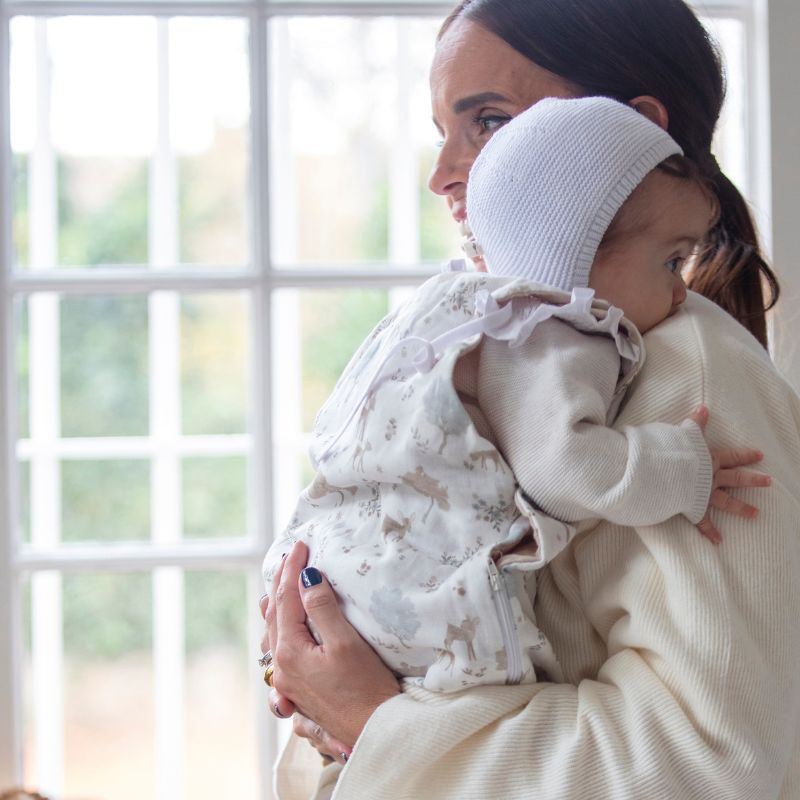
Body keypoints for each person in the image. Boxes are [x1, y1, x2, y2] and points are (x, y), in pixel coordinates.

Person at [260, 1, 800, 797]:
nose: (444, 174)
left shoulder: (690, 391)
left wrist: (378, 725)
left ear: (628, 131)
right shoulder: (513, 343)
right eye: (442, 130)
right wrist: (323, 674)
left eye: (488, 121)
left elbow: (709, 761)